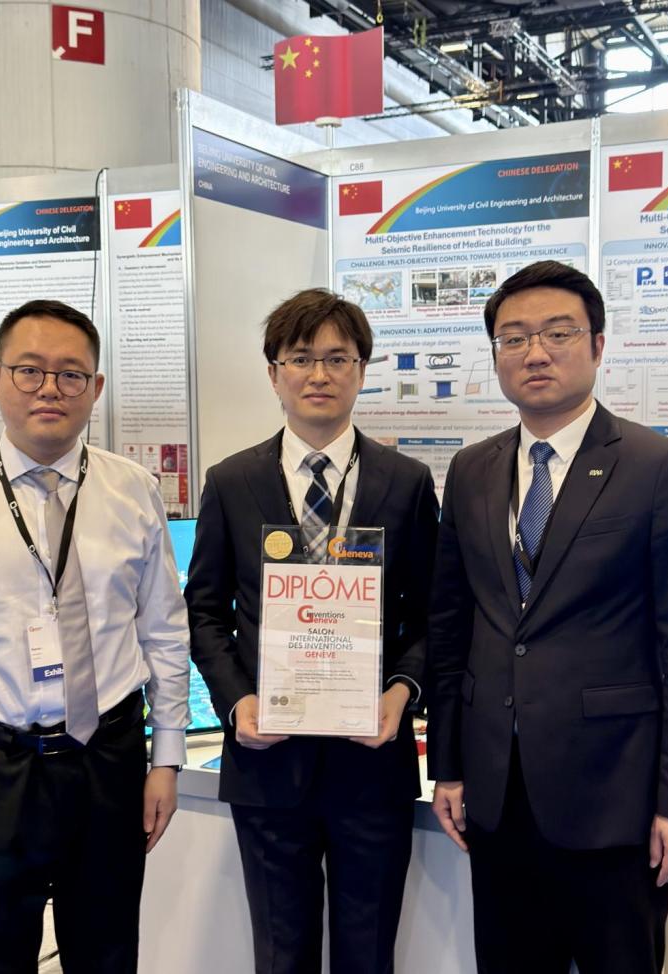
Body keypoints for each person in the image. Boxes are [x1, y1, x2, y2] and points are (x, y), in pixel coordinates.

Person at [427, 260, 668, 974]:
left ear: (598, 345)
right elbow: (452, 628)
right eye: (514, 338)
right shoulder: (472, 470)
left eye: (558, 333)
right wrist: (448, 768)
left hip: (615, 796)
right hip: (497, 794)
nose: (536, 353)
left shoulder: (660, 467)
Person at [0, 299, 190, 973]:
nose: (50, 388)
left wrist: (166, 759)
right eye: (29, 370)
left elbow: (164, 631)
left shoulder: (134, 490)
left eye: (71, 374)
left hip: (106, 758)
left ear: (95, 388)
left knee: (107, 951)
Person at [186, 288, 438, 974]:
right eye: (301, 358)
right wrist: (237, 701)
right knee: (281, 953)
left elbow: (431, 613)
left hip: (372, 763)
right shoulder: (231, 481)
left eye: (337, 358)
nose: (319, 374)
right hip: (268, 765)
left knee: (368, 953)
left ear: (361, 370)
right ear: (274, 373)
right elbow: (204, 610)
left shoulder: (407, 482)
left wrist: (401, 693)